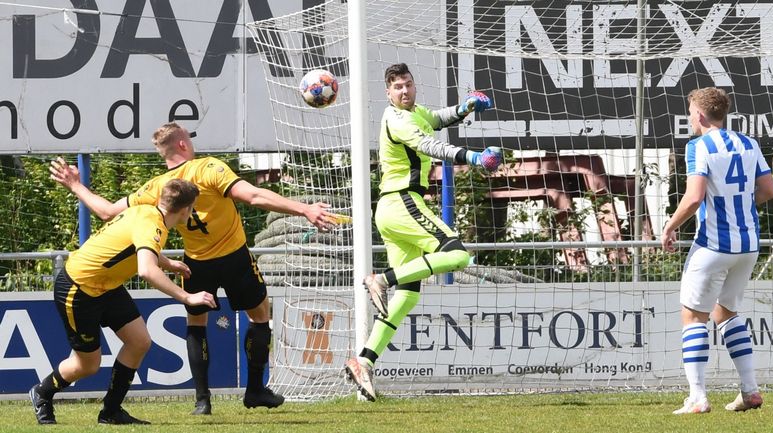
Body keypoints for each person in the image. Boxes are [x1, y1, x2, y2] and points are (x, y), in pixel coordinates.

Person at [49, 123, 336, 415]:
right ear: (184, 145)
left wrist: (75, 185)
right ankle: (255, 389)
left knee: (196, 325)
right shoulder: (209, 168)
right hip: (234, 256)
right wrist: (305, 209)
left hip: (195, 263)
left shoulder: (158, 187)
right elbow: (253, 196)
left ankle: (202, 400)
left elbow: (107, 211)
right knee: (260, 315)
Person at [344, 63, 501, 400]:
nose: (404, 91)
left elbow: (438, 119)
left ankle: (364, 361)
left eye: (408, 85)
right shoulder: (398, 120)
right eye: (397, 87)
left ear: (414, 87)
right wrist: (473, 157)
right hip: (403, 202)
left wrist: (466, 107)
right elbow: (430, 146)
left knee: (409, 295)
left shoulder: (414, 112)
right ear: (388, 93)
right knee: (457, 255)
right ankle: (382, 278)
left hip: (391, 209)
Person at [29, 179, 215, 425]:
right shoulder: (153, 224)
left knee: (139, 341)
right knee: (87, 364)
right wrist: (187, 297)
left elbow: (137, 243)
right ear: (186, 210)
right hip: (79, 288)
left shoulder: (147, 210)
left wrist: (167, 263)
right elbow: (146, 271)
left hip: (106, 285)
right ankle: (42, 392)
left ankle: (111, 412)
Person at [661, 87, 773, 414]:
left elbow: (695, 197)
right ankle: (750, 390)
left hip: (715, 244)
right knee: (725, 312)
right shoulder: (749, 143)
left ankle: (697, 397)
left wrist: (670, 226)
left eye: (689, 112)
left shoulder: (698, 146)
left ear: (698, 114)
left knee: (693, 315)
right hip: (748, 245)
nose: (689, 118)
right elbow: (769, 190)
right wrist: (738, 204)